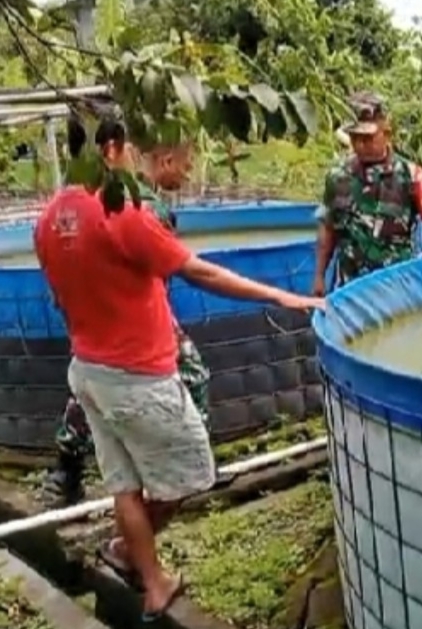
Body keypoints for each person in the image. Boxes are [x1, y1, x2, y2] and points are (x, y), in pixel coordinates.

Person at [34, 118, 324, 621]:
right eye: (127, 149)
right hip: (139, 377)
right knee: (191, 475)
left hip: (89, 372)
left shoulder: (48, 218)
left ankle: (150, 579)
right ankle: (137, 560)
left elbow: (62, 296)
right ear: (110, 149)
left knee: (124, 484)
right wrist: (280, 294)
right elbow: (198, 270)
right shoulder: (122, 210)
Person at [44, 120, 211, 508]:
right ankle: (182, 468)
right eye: (185, 167)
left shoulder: (73, 202)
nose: (186, 176)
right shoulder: (143, 206)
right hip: (130, 318)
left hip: (92, 318)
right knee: (191, 372)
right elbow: (170, 270)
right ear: (165, 160)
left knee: (92, 387)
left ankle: (66, 469)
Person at [313, 92, 422, 295]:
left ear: (386, 133)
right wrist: (318, 276)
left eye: (368, 138)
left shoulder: (410, 174)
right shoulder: (337, 178)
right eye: (355, 138)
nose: (361, 145)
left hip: (397, 287)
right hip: (351, 290)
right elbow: (328, 229)